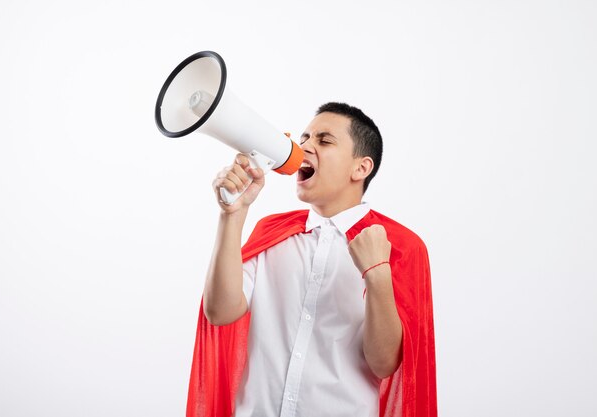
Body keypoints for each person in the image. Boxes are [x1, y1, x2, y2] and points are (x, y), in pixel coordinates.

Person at [186, 103, 437, 417]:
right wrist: (232, 215)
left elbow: (384, 363)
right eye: (304, 138)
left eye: (324, 140)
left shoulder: (399, 246)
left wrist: (377, 274)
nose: (305, 147)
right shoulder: (272, 232)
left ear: (361, 168)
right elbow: (220, 312)